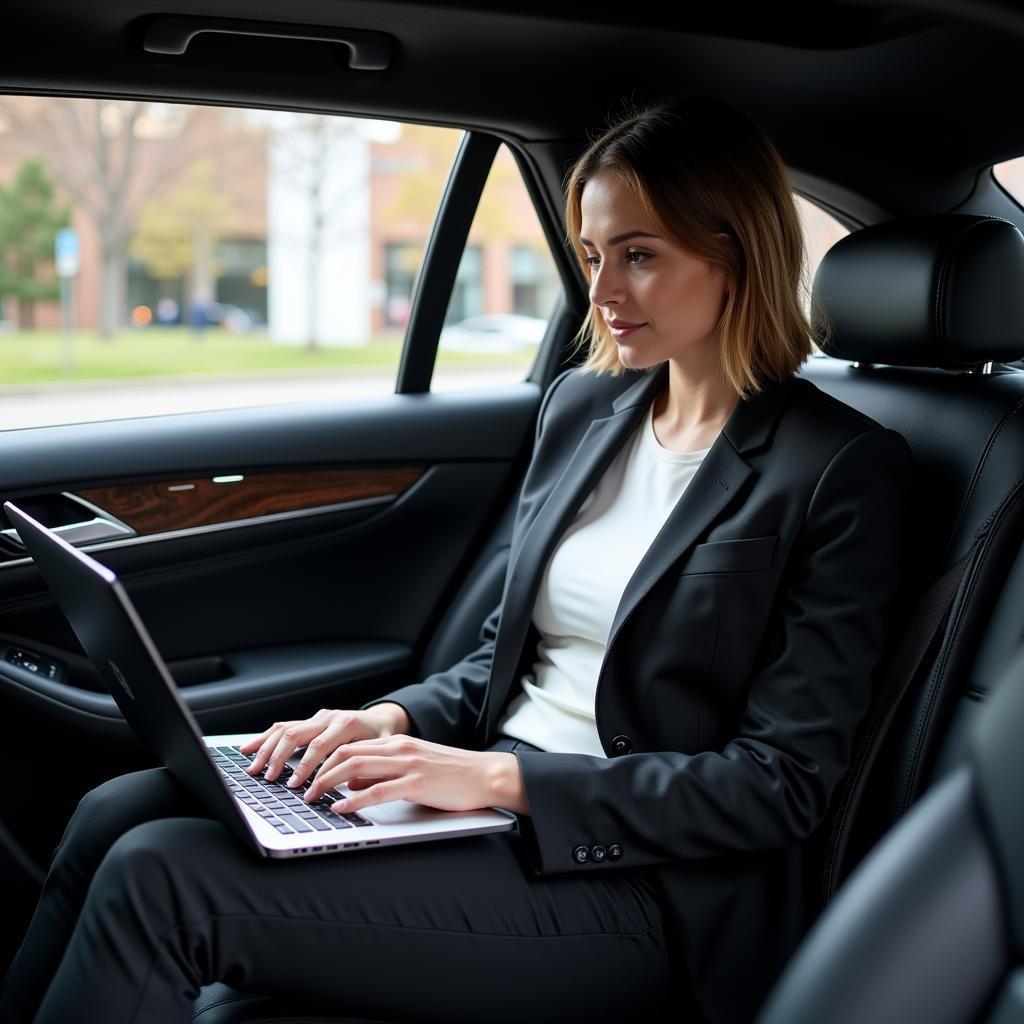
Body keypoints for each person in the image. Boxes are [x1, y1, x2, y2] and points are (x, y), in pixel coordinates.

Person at [0, 95, 913, 1024]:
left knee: (164, 880)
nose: (600, 293)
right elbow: (502, 660)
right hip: (479, 802)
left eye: (640, 255)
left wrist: (494, 780)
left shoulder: (840, 469)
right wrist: (385, 719)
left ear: (737, 253)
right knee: (118, 810)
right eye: (594, 256)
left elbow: (779, 787)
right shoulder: (585, 412)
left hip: (642, 887)